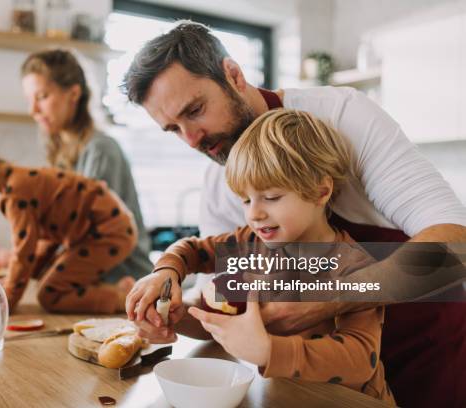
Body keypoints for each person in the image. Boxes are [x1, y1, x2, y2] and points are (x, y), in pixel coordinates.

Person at [122, 21, 466, 407]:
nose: (191, 139)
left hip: (425, 351)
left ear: (233, 75)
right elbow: (228, 302)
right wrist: (169, 298)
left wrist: (320, 299)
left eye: (196, 110)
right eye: (173, 129)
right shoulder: (222, 188)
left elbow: (455, 248)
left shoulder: (345, 117)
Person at [127, 109, 395, 404]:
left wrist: (268, 351)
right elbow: (191, 251)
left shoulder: (354, 266)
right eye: (246, 199)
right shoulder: (250, 243)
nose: (254, 213)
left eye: (271, 197)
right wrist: (171, 293)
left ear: (321, 191)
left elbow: (359, 360)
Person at [0, 120, 137, 314]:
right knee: (44, 275)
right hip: (103, 228)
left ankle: (121, 299)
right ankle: (118, 290)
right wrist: (9, 282)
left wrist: (7, 299)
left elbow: (24, 252)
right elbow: (42, 242)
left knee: (50, 295)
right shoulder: (18, 182)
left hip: (107, 231)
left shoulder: (16, 193)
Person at [21, 49, 152, 284]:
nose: (33, 110)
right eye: (29, 100)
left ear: (73, 93)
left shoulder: (101, 150)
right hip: (91, 280)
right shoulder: (63, 154)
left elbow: (81, 232)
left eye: (41, 97)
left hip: (124, 281)